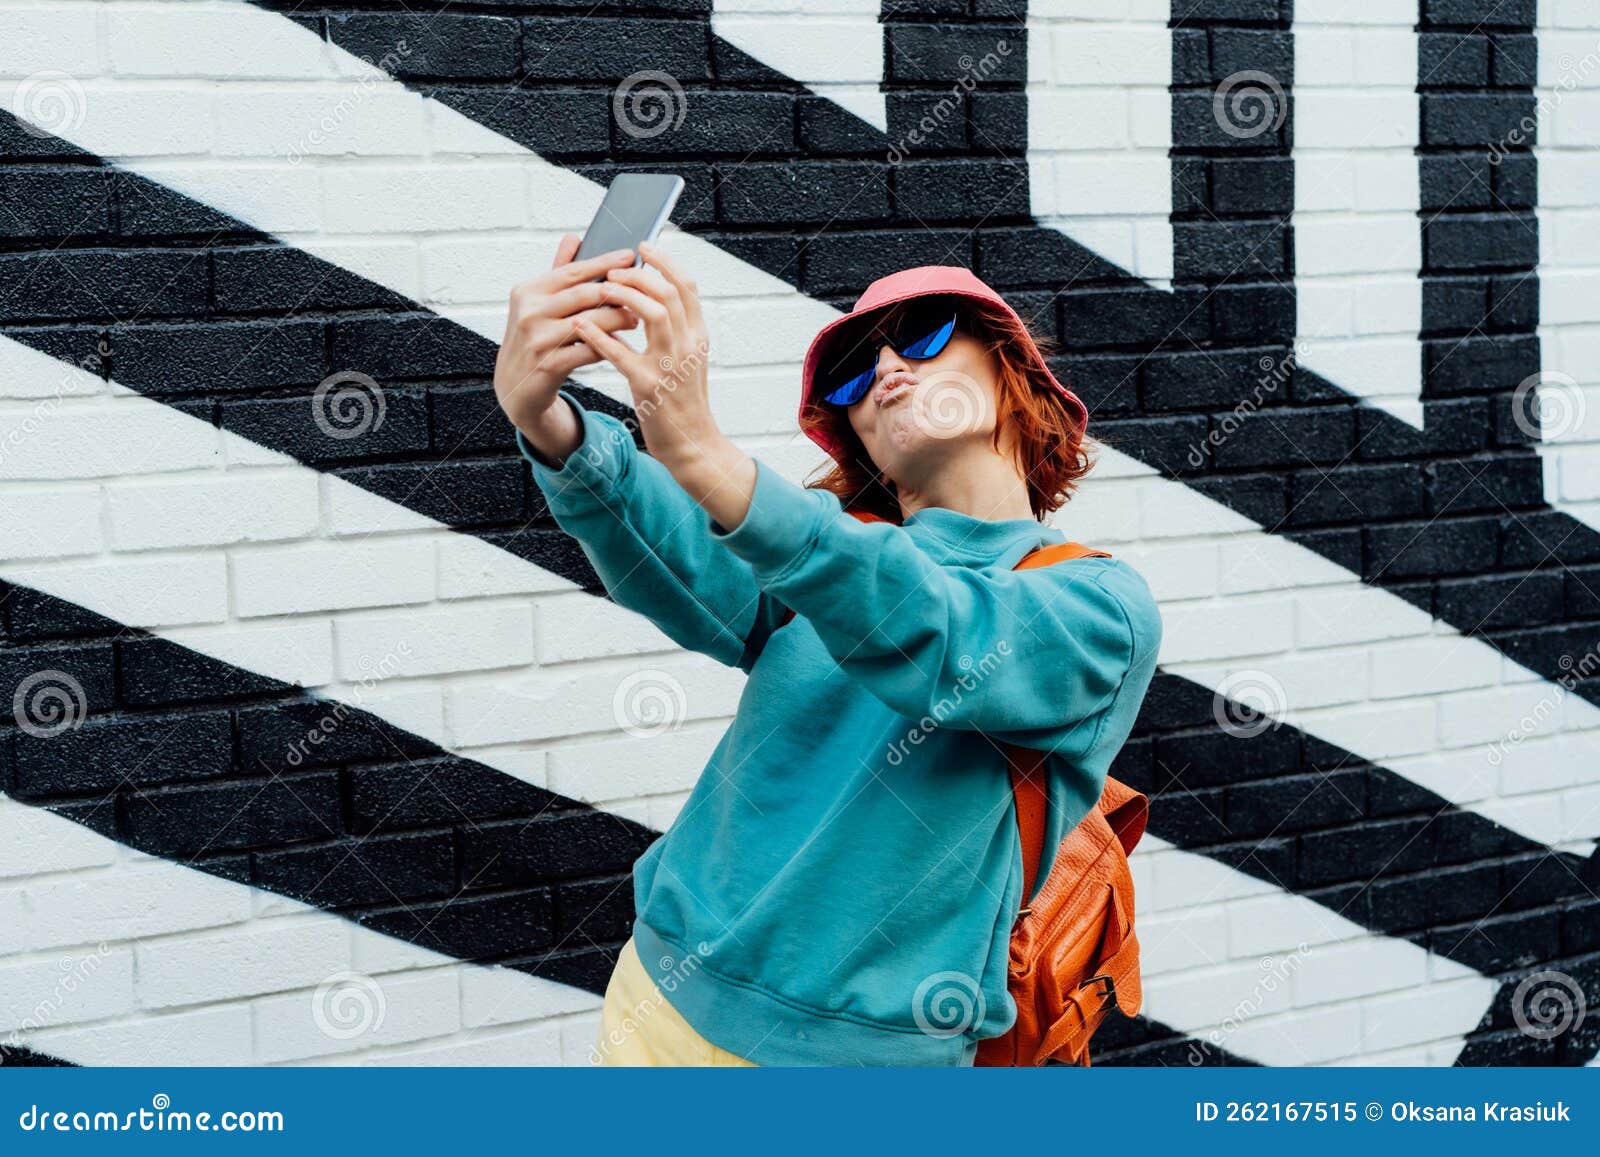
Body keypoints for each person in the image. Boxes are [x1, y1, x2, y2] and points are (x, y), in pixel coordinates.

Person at [493, 236, 1163, 1066]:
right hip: (654, 1008)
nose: (886, 367)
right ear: (858, 440)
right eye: (852, 372)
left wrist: (704, 451)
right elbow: (678, 539)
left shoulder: (1100, 606)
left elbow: (942, 635)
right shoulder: (816, 565)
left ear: (1010, 370)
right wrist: (549, 420)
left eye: (920, 333)